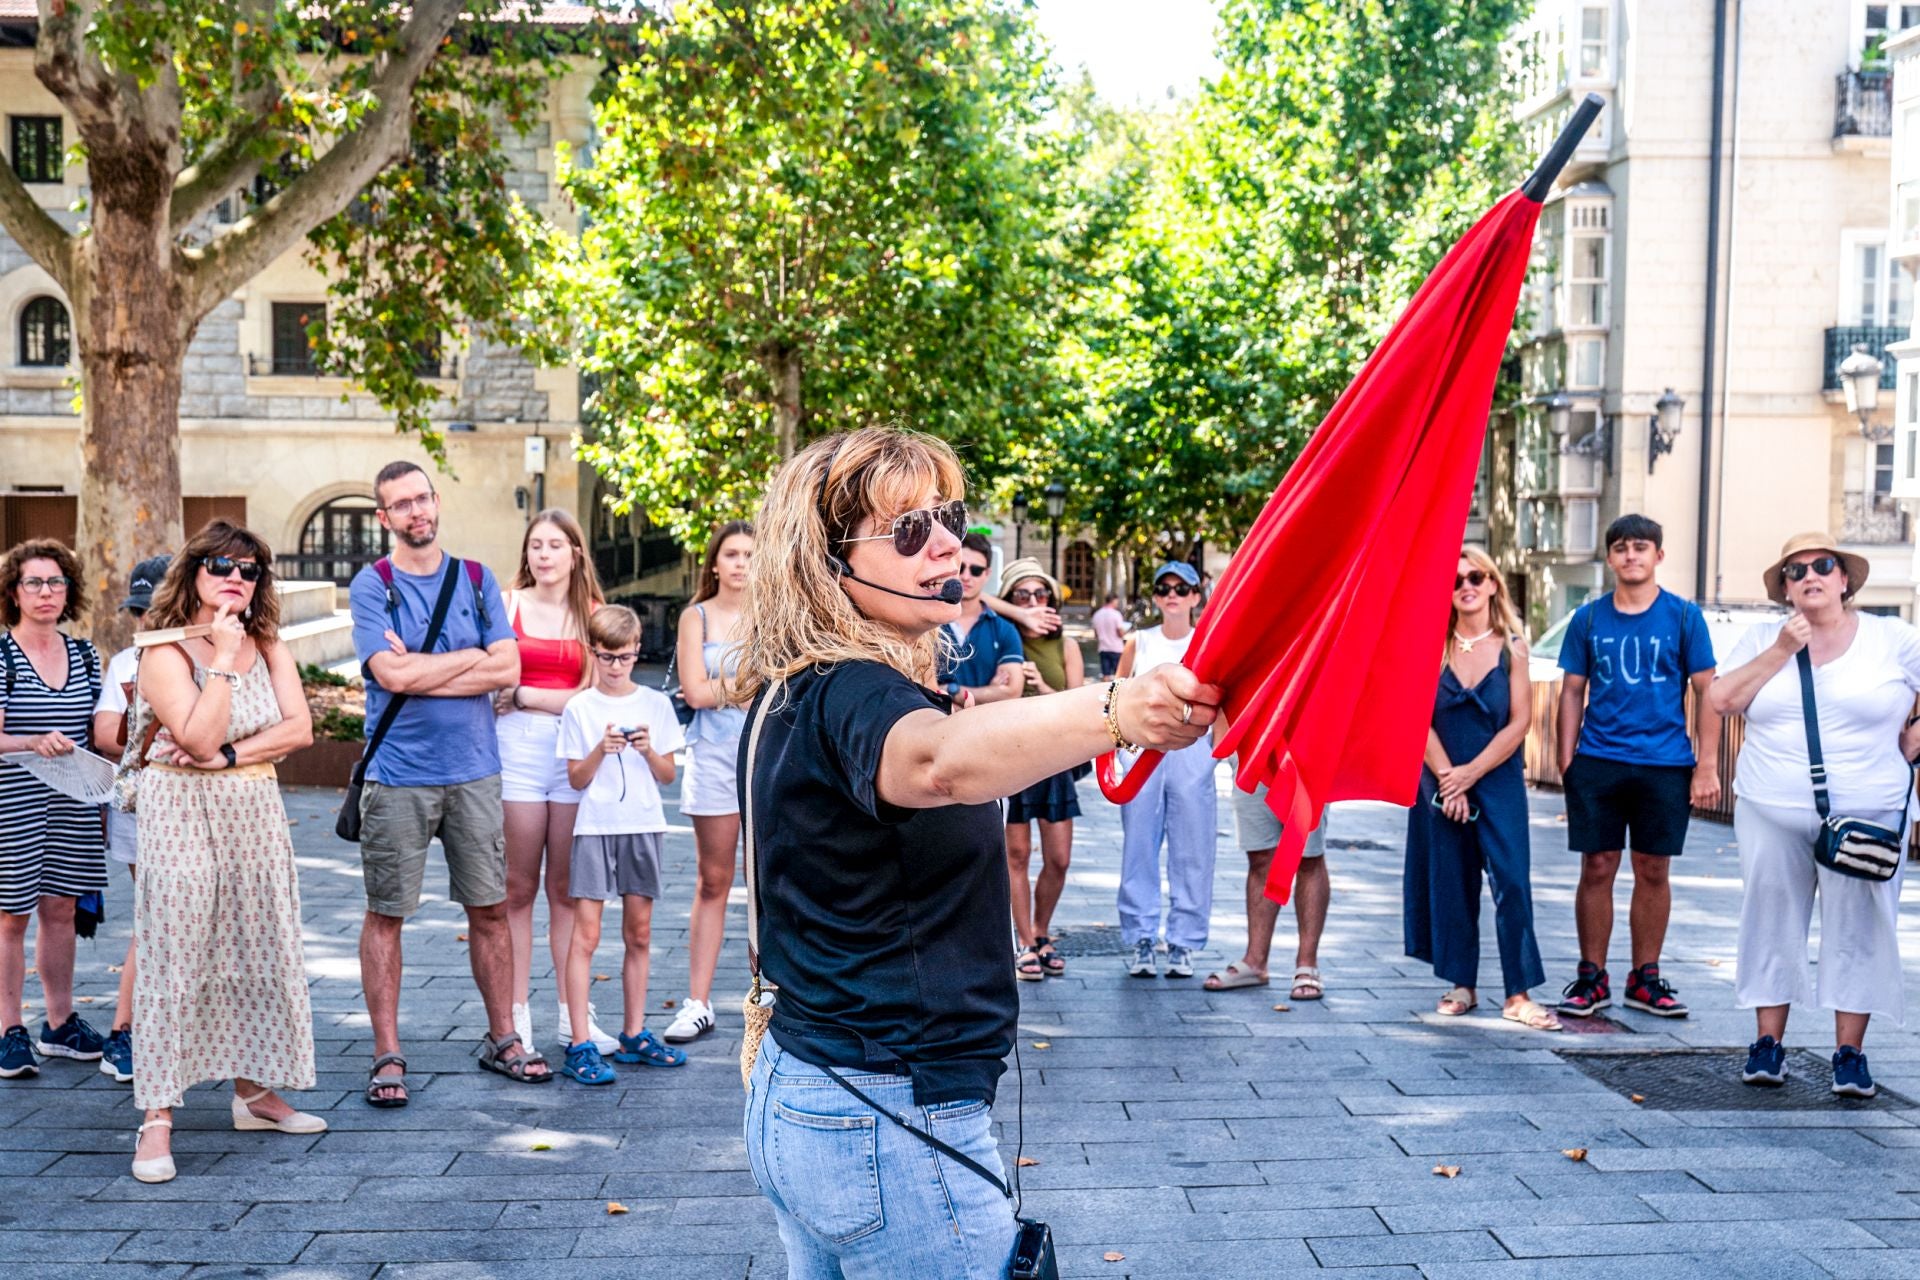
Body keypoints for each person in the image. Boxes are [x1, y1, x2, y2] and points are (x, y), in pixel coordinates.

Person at [737, 427, 1216, 1278]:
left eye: (948, 516)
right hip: (887, 1116)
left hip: (817, 1094)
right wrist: (1119, 710)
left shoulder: (799, 681)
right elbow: (936, 761)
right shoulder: (852, 687)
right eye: (909, 529)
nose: (948, 542)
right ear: (825, 557)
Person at [129, 521, 323, 1184]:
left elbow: (300, 728)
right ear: (193, 573)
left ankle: (253, 1093)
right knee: (177, 947)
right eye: (220, 565)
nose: (235, 577)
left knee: (258, 941)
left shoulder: (268, 643)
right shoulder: (163, 649)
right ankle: (156, 1118)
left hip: (252, 806)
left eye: (249, 569)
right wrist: (218, 661)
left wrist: (235, 754)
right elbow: (197, 735)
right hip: (178, 805)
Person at [350, 460, 547, 1107]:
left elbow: (508, 667)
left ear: (436, 501)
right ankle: (386, 1053)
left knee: (490, 909)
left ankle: (503, 1038)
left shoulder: (476, 578)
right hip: (398, 775)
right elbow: (392, 676)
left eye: (423, 498)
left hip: (474, 773)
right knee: (387, 914)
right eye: (401, 505)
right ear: (384, 518)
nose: (417, 512)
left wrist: (425, 667)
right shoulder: (372, 585)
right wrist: (471, 665)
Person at [1708, 533, 1920, 1098]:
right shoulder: (1761, 638)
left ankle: (1849, 1055)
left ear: (1845, 578)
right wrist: (1781, 649)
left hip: (1868, 810)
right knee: (1770, 917)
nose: (1810, 576)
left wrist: (1913, 742)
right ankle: (1767, 1046)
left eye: (1823, 566)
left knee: (1861, 927)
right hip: (1771, 807)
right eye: (1794, 571)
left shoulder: (1892, 638)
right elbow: (1721, 700)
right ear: (1783, 590)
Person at [1556, 514, 1720, 1019]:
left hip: (1665, 763)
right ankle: (1592, 977)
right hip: (1599, 760)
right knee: (1598, 865)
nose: (1631, 556)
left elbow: (1707, 691)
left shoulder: (1684, 617)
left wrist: (1707, 765)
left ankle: (1644, 978)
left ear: (1658, 556)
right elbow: (1571, 691)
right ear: (1610, 558)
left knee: (1653, 868)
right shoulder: (1588, 619)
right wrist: (1567, 759)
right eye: (1622, 548)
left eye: (1641, 548)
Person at [1404, 548, 1558, 1031]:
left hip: (1497, 780)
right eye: (1456, 581)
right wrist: (1450, 779)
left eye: (1476, 576)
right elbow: (1418, 720)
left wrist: (1470, 775)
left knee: (1511, 880)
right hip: (1439, 778)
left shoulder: (1514, 647)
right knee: (1452, 879)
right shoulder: (1431, 644)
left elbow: (1520, 724)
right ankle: (1461, 984)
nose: (1466, 586)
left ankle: (1518, 994)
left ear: (1493, 584)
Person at [495, 509, 612, 1056]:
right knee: (517, 890)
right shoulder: (506, 605)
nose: (544, 554)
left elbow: (592, 698)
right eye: (535, 545)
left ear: (575, 554)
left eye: (555, 545)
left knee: (565, 891)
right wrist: (517, 698)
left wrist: (523, 694)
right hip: (514, 750)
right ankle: (515, 1018)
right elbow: (489, 678)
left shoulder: (593, 615)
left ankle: (574, 1016)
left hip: (570, 751)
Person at [555, 605, 688, 1083]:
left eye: (625, 657)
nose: (616, 667)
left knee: (640, 933)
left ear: (637, 653)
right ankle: (579, 1041)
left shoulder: (654, 704)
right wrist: (600, 749)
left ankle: (634, 1031)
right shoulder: (580, 708)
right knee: (586, 935)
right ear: (593, 653)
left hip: (643, 823)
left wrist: (647, 747)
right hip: (594, 828)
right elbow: (574, 779)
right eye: (608, 657)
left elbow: (669, 774)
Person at [0, 538, 107, 1080]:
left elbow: (101, 732)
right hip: (13, 802)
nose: (46, 592)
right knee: (11, 916)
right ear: (14, 593)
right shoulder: (1, 656)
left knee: (62, 909)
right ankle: (8, 1029)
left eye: (56, 582)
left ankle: (60, 1023)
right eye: (34, 583)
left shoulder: (87, 654)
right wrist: (31, 741)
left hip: (73, 800)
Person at [663, 521, 753, 1045]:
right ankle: (698, 1002)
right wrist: (746, 686)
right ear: (714, 563)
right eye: (732, 553)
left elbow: (786, 682)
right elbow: (695, 693)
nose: (741, 562)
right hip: (714, 757)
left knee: (772, 881)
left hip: (768, 755)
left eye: (749, 554)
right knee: (714, 880)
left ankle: (776, 995)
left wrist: (729, 688)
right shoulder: (694, 617)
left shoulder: (776, 618)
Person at [89, 553, 173, 1084]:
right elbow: (105, 737)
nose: (144, 621)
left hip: (204, 804)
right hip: (145, 805)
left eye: (154, 609)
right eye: (138, 612)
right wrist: (152, 719)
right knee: (155, 915)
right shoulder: (126, 663)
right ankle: (125, 1032)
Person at [1116, 560, 1219, 980]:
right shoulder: (1138, 642)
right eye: (1164, 587)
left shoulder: (1208, 643)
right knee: (1138, 846)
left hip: (1193, 753)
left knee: (1193, 849)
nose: (1172, 594)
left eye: (1182, 587)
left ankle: (1184, 940)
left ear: (1196, 596)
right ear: (1155, 596)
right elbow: (1115, 694)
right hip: (1142, 751)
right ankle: (1141, 934)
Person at [999, 557, 1083, 980]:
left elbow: (1079, 704)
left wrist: (1045, 688)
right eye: (1022, 594)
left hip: (1055, 758)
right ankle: (1027, 942)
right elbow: (975, 601)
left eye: (1041, 593)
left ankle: (1043, 930)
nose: (1034, 601)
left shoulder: (1065, 644)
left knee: (1059, 858)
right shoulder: (1004, 636)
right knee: (1017, 855)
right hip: (1014, 754)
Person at [1205, 776, 1329, 999]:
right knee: (1259, 854)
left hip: (1310, 754)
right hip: (1254, 751)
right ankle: (1255, 962)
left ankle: (1307, 964)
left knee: (1308, 855)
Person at [937, 532, 1024, 707]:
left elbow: (1012, 691)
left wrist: (952, 690)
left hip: (986, 731)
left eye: (976, 570)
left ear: (987, 574)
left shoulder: (1004, 630)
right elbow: (916, 686)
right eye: (960, 567)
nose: (966, 577)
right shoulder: (927, 622)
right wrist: (989, 693)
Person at [1091, 592, 1129, 679]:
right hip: (1116, 648)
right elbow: (1120, 633)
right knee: (1119, 675)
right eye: (1117, 602)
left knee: (1105, 675)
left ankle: (1106, 692)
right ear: (1113, 601)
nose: (1117, 604)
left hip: (1103, 648)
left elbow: (1096, 634)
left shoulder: (1097, 614)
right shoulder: (1116, 614)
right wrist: (1126, 631)